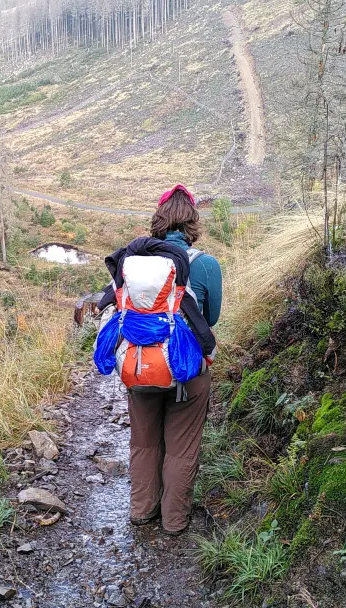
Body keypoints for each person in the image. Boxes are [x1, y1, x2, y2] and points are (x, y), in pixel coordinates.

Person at [127, 184, 222, 535]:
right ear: (192, 223)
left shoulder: (133, 262)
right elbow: (209, 319)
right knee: (181, 447)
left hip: (139, 366)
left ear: (158, 221)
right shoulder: (206, 265)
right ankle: (174, 522)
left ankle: (141, 511)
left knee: (144, 442)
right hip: (187, 370)